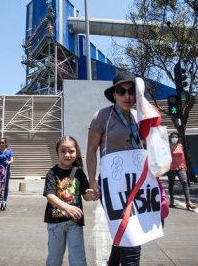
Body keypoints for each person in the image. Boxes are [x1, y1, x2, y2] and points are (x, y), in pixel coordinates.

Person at [87, 71, 164, 266]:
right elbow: (91, 149)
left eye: (131, 91)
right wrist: (92, 181)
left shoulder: (140, 116)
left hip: (138, 183)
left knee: (125, 229)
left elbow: (152, 146)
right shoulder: (102, 116)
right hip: (113, 185)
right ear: (114, 94)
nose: (127, 96)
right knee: (131, 232)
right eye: (121, 91)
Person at [43, 135, 95, 266]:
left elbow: (85, 195)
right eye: (63, 151)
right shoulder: (51, 173)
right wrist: (68, 207)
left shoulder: (79, 173)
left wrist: (92, 194)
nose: (67, 154)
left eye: (71, 151)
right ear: (57, 153)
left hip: (74, 223)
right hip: (55, 224)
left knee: (78, 259)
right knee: (54, 259)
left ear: (76, 152)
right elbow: (50, 196)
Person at [167, 132, 196, 210]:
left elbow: (183, 157)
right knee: (171, 184)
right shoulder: (167, 147)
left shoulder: (181, 146)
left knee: (185, 183)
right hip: (171, 167)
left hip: (181, 167)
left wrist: (185, 166)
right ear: (170, 138)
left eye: (176, 137)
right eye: (173, 137)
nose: (174, 138)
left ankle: (188, 202)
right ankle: (172, 200)